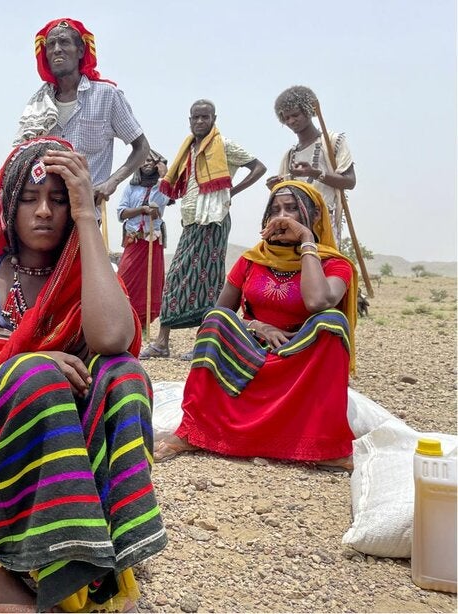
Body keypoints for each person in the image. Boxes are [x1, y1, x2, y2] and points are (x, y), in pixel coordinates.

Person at [0, 138, 166, 613]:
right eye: (29, 199)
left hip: (66, 449)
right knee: (34, 376)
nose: (44, 211)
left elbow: (112, 339)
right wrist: (17, 365)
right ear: (8, 205)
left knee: (125, 374)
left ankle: (103, 554)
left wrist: (90, 215)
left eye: (60, 200)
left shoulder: (84, 278)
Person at [154, 181, 358, 471]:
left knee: (332, 322)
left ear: (313, 217)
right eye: (274, 210)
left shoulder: (334, 264)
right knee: (216, 321)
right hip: (248, 355)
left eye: (291, 209)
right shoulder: (251, 261)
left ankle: (323, 447)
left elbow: (318, 302)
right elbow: (220, 312)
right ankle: (195, 431)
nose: (281, 217)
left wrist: (307, 242)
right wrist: (259, 326)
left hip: (298, 362)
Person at [147, 99, 266, 359]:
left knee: (208, 280)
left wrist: (231, 191)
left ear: (214, 118)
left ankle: (203, 343)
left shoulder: (224, 146)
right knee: (176, 276)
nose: (200, 122)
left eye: (205, 117)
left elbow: (258, 167)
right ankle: (162, 342)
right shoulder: (188, 149)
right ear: (189, 120)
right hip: (191, 221)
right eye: (195, 118)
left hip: (214, 219)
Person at [14, 18, 150, 220]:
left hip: (84, 214)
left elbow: (142, 147)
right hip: (44, 215)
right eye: (51, 45)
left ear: (80, 51)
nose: (57, 49)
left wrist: (111, 182)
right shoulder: (38, 104)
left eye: (64, 42)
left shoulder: (106, 96)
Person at [265, 85, 355, 246]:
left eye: (295, 115)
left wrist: (315, 173)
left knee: (326, 266)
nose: (291, 121)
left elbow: (349, 181)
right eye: (286, 118)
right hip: (297, 223)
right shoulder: (290, 155)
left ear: (308, 111)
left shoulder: (332, 142)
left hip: (325, 220)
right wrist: (276, 187)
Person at [115, 151, 170, 357]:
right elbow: (121, 212)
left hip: (151, 241)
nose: (147, 164)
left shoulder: (162, 188)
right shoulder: (131, 187)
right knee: (124, 279)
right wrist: (142, 209)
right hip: (134, 239)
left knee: (151, 285)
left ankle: (142, 328)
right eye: (144, 160)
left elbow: (164, 201)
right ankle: (123, 323)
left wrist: (163, 168)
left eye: (152, 161)